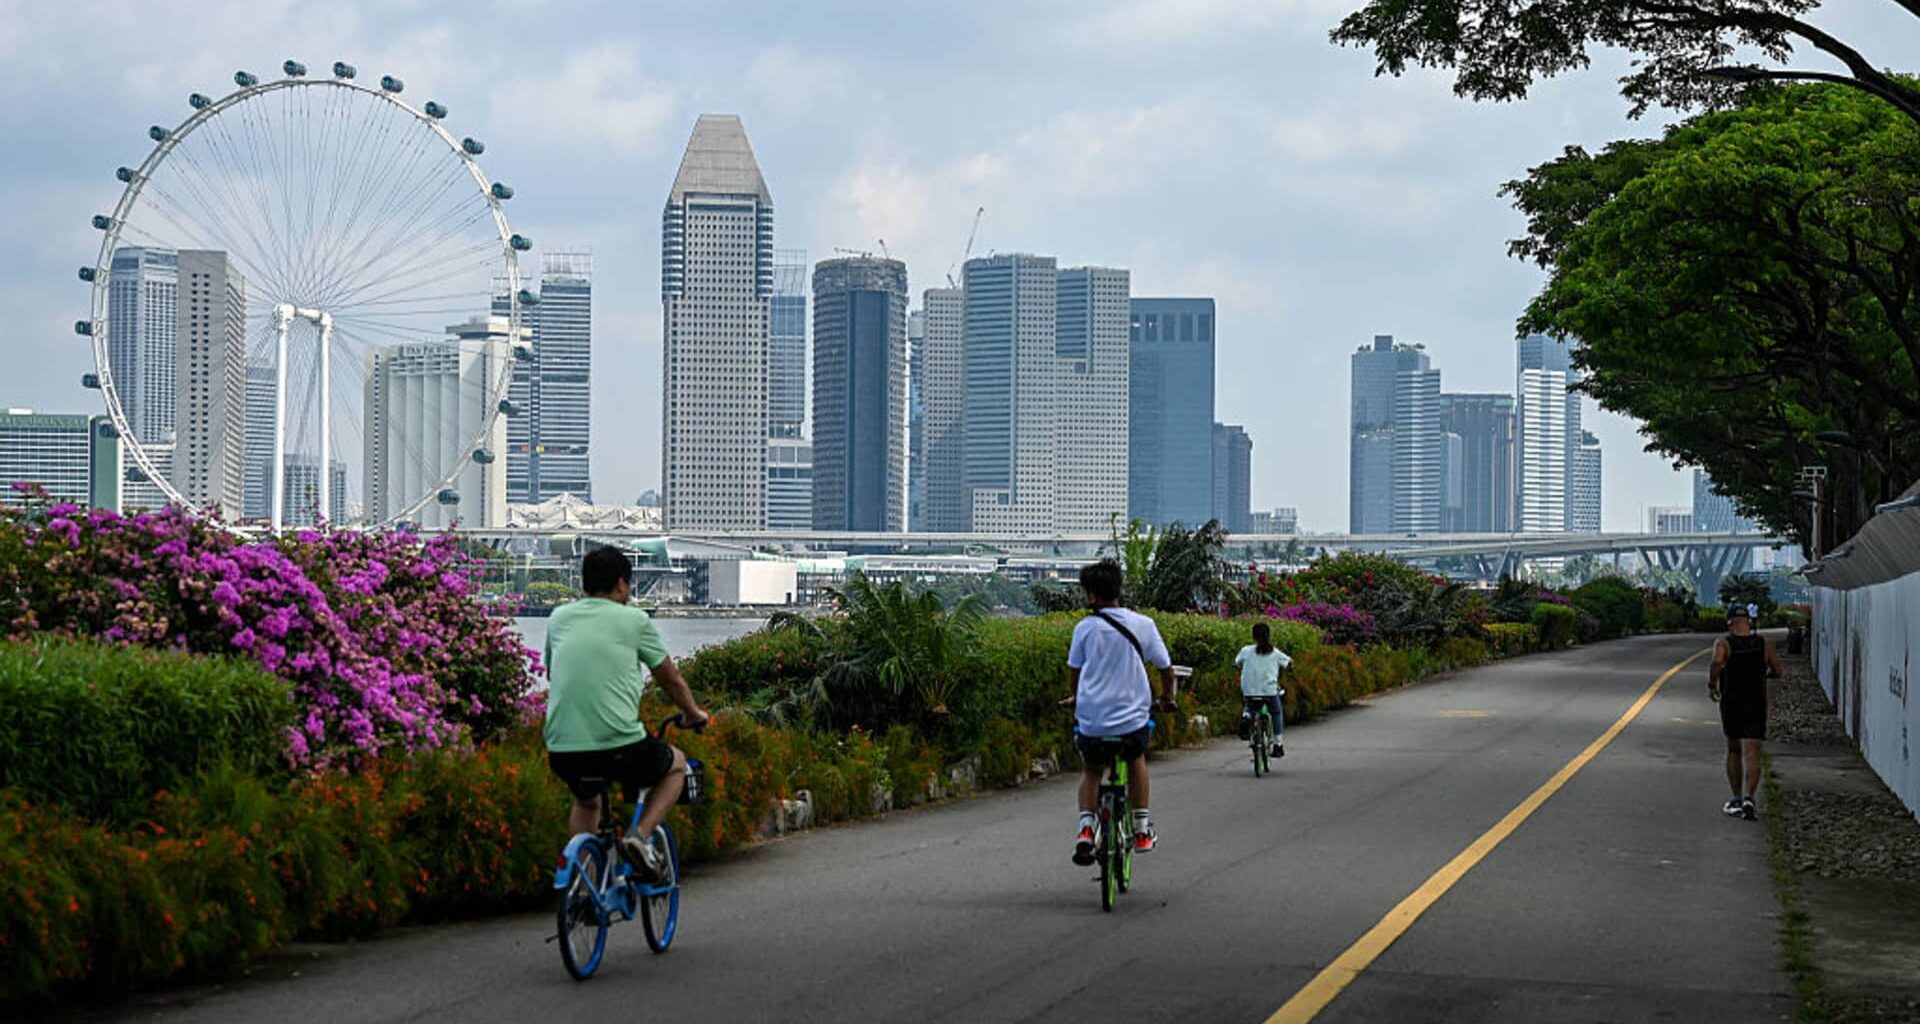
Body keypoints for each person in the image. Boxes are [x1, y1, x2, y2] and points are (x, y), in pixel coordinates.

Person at [545, 546, 711, 880]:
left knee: (588, 802)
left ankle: (583, 886)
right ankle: (640, 836)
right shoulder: (635, 620)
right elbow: (669, 678)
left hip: (562, 748)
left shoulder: (559, 618)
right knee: (676, 765)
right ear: (622, 584)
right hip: (619, 747)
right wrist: (693, 713)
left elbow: (552, 673)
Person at [1063, 559, 1174, 865]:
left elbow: (1075, 673)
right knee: (1135, 758)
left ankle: (1086, 828)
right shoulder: (1143, 624)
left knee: (1092, 769)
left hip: (1093, 720)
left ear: (1091, 594)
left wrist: (1076, 699)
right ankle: (1141, 828)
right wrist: (1167, 698)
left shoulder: (1084, 629)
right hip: (1131, 719)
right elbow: (1166, 669)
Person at [1707, 602, 1783, 820]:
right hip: (1756, 701)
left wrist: (1713, 683)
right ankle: (1750, 797)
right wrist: (1764, 675)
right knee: (1753, 751)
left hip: (1732, 701)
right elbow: (1778, 670)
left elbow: (1717, 661)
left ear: (1730, 623)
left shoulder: (1724, 643)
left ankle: (1736, 799)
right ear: (1749, 622)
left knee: (1734, 749)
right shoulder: (1763, 643)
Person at [1236, 622, 1292, 759]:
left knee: (1250, 705)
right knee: (1276, 713)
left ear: (1253, 636)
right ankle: (1278, 744)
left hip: (1249, 691)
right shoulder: (1275, 653)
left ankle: (1246, 717)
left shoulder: (1246, 651)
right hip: (1269, 691)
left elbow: (1237, 663)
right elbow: (1289, 663)